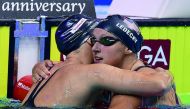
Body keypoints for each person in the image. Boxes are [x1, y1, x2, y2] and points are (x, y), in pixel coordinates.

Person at [29, 14, 178, 108]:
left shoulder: (52, 72)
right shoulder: (96, 74)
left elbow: (158, 85)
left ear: (128, 48)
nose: (96, 48)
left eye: (106, 40)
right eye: (94, 40)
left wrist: (166, 77)